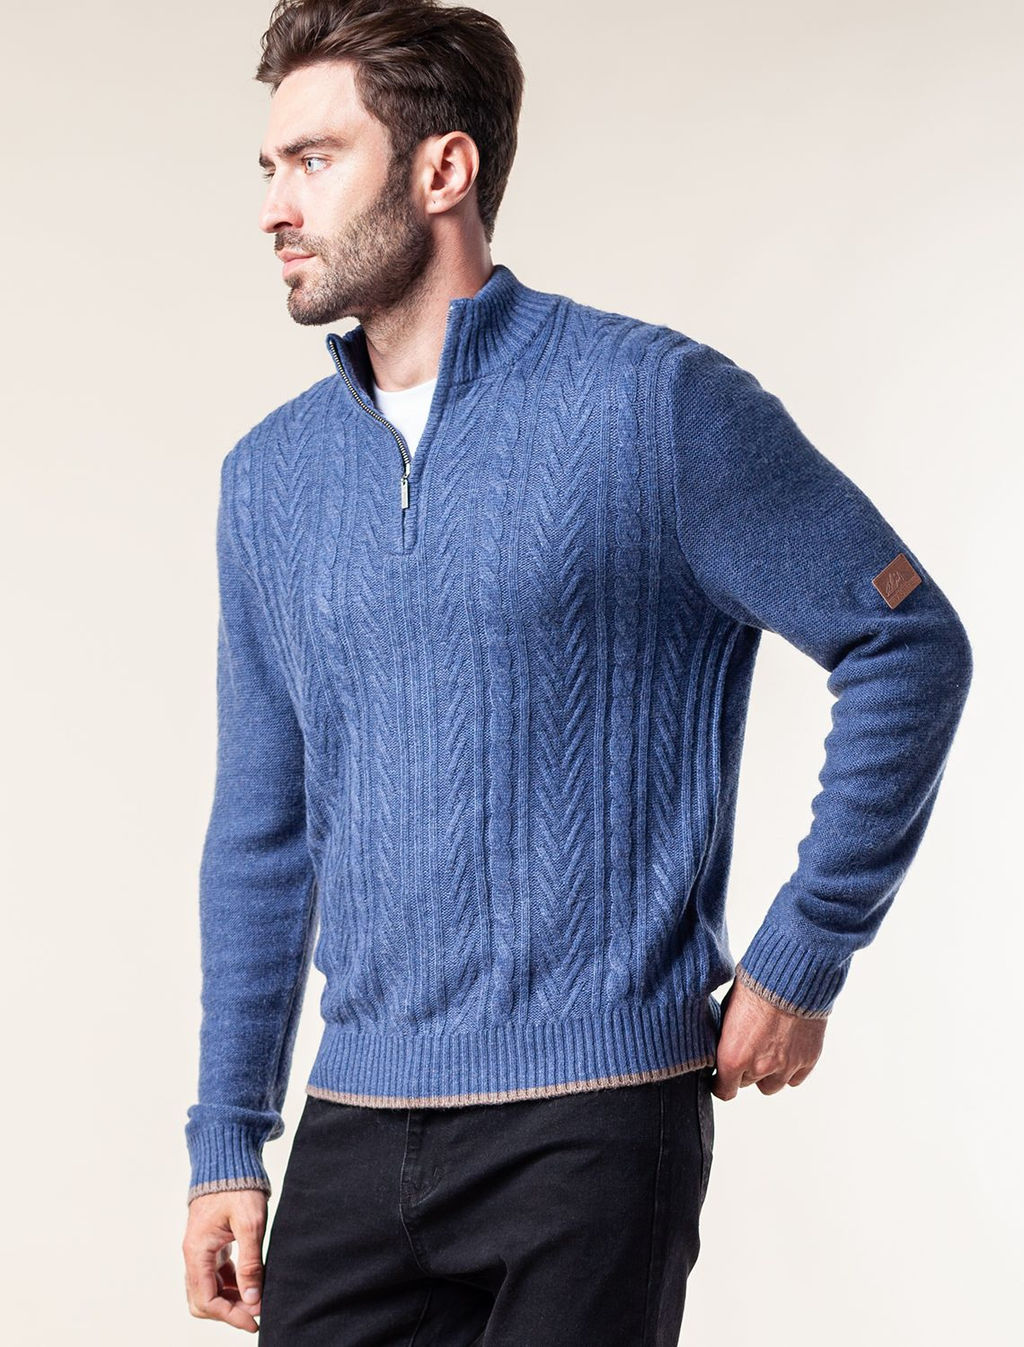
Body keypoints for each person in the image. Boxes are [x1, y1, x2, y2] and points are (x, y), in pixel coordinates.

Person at [181, 1, 974, 1341]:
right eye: (269, 167)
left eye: (313, 160)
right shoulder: (268, 479)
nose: (274, 206)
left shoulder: (655, 405)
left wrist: (806, 948)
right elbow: (261, 831)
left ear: (442, 169)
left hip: (594, 1125)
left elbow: (904, 639)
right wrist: (226, 1140)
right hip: (353, 1126)